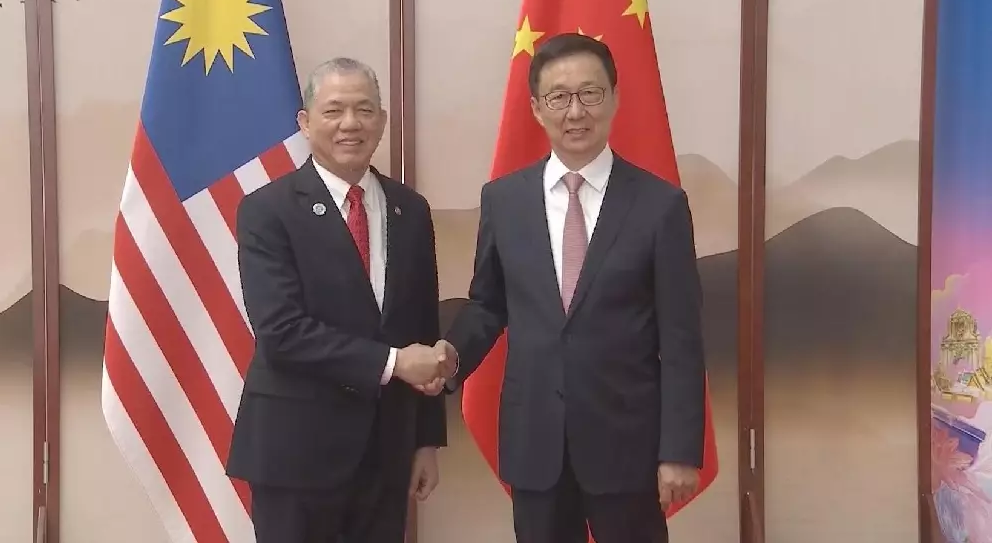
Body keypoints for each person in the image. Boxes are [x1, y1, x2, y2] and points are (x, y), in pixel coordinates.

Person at [427, 33, 706, 543]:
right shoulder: (504, 201)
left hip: (628, 447)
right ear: (537, 108)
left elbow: (682, 339)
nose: (575, 111)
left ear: (614, 98)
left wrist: (680, 450)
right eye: (558, 97)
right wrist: (453, 354)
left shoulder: (660, 205)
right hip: (535, 443)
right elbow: (488, 304)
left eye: (590, 93)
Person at [226, 57, 448, 543]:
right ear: (306, 123)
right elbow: (281, 332)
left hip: (386, 453)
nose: (351, 123)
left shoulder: (410, 210)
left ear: (382, 121)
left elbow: (422, 329)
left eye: (364, 110)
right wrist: (394, 363)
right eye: (334, 111)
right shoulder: (267, 210)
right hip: (295, 453)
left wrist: (426, 440)